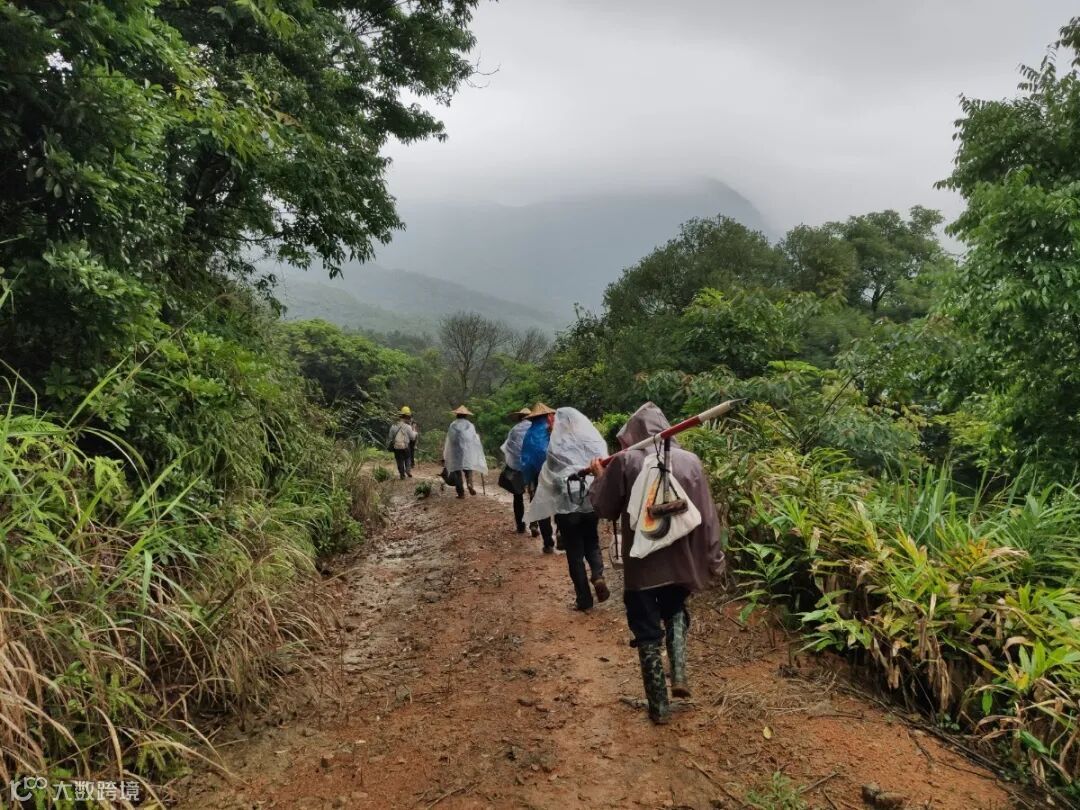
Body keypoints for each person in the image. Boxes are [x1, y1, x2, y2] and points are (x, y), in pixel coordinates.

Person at [588, 402, 724, 725]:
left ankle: (659, 707)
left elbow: (605, 507)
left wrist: (599, 477)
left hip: (643, 569)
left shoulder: (626, 461)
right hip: (682, 564)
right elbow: (708, 517)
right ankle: (679, 672)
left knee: (647, 630)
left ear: (633, 434)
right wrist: (715, 560)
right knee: (676, 609)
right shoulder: (691, 462)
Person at [526, 407, 612, 611]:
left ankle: (584, 599)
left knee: (574, 552)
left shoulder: (555, 446)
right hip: (590, 501)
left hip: (567, 507)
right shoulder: (588, 442)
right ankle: (598, 575)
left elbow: (550, 478)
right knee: (592, 541)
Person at [519, 402, 557, 552]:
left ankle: (548, 543)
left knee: (543, 506)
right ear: (548, 416)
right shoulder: (553, 430)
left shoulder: (529, 434)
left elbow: (526, 459)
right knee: (560, 504)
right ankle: (561, 535)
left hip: (538, 476)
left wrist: (528, 479)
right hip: (556, 474)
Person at [499, 407, 532, 533]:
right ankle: (534, 524)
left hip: (517, 468)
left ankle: (520, 526)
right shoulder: (536, 429)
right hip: (533, 466)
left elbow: (509, 448)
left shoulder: (514, 430)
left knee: (518, 496)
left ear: (519, 418)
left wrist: (514, 463)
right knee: (534, 495)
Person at [443, 406, 487, 498]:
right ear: (466, 415)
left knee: (457, 472)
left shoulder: (453, 425)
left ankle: (461, 493)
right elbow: (473, 438)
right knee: (468, 469)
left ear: (457, 415)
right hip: (467, 451)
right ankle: (470, 484)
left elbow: (450, 439)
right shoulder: (470, 425)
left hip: (456, 452)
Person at [387, 406, 418, 479]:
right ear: (407, 417)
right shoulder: (408, 427)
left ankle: (402, 474)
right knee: (407, 458)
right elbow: (412, 437)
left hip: (396, 447)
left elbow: (390, 436)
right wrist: (415, 432)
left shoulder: (393, 426)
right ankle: (408, 470)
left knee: (399, 460)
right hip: (405, 447)